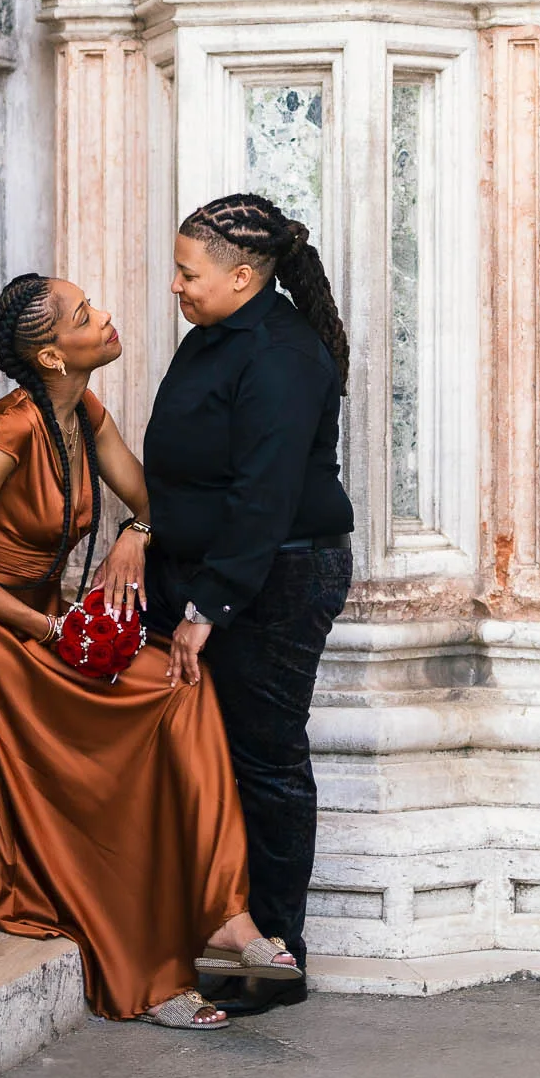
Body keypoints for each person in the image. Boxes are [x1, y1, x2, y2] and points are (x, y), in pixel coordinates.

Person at [0, 270, 301, 1028]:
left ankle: (226, 919)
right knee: (122, 742)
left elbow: (152, 497)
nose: (106, 317)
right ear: (53, 356)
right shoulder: (12, 428)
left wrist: (136, 534)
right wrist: (50, 630)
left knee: (183, 684)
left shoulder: (83, 409)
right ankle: (147, 972)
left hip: (49, 621)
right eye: (86, 315)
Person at [103, 193, 353, 1017]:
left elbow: (264, 497)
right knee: (186, 743)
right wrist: (142, 526)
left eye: (188, 272)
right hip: (211, 571)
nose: (174, 286)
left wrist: (206, 609)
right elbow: (184, 471)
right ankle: (209, 927)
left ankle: (271, 963)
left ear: (244, 277)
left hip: (274, 578)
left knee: (263, 758)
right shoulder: (213, 337)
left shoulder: (283, 354)